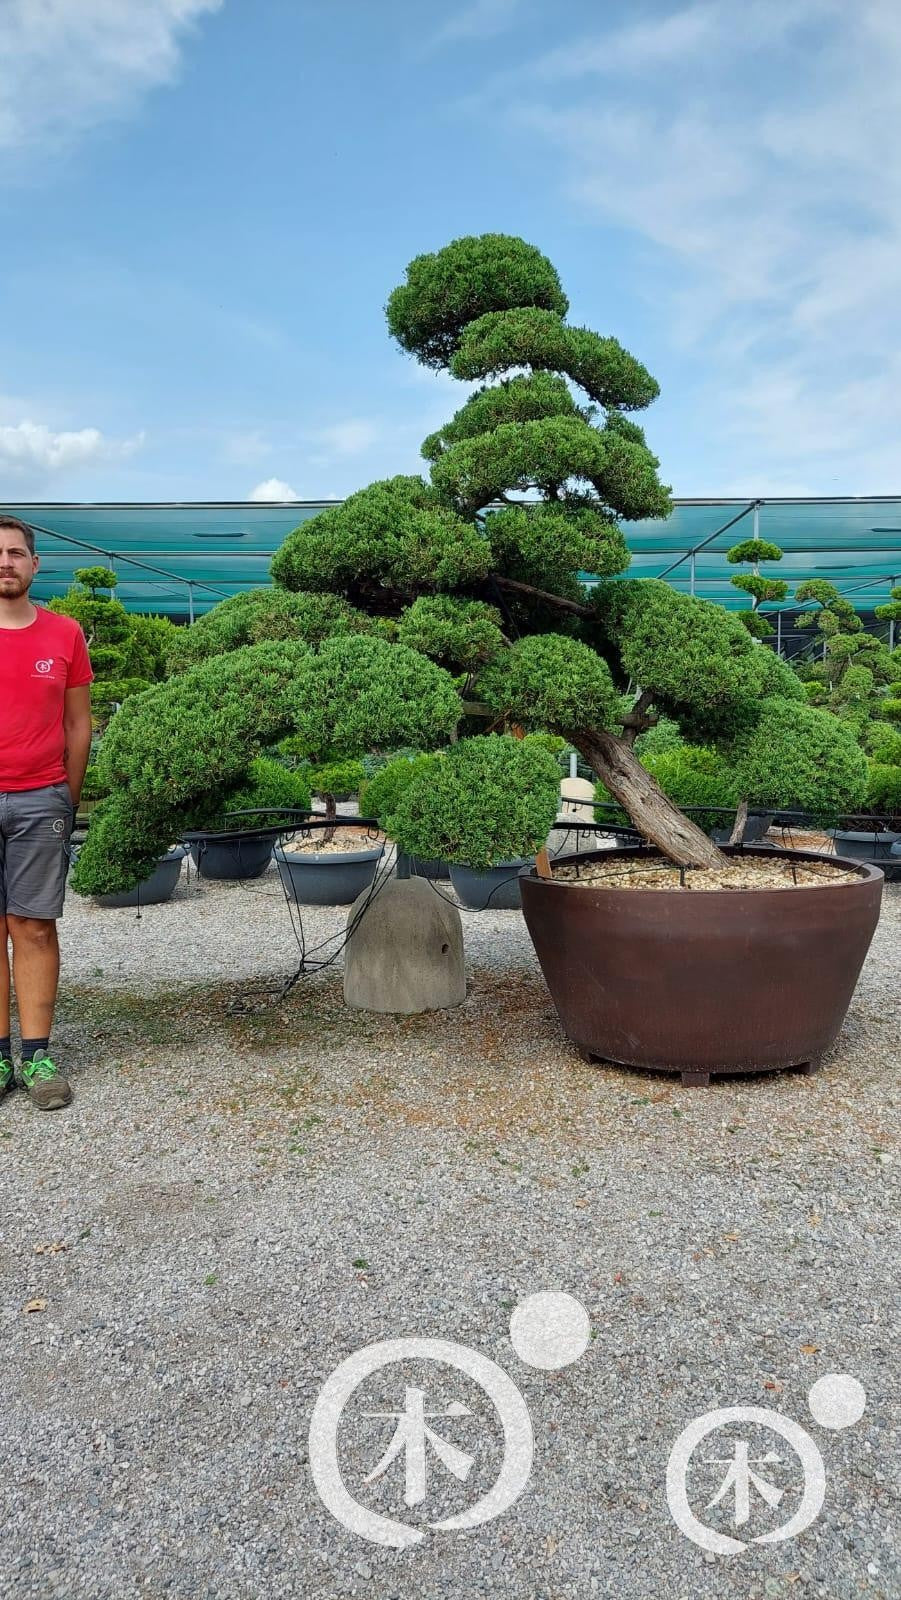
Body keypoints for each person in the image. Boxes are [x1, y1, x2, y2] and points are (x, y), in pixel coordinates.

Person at [0, 515, 93, 1109]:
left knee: (32, 926)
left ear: (35, 565)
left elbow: (77, 722)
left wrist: (69, 794)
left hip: (41, 797)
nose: (4, 562)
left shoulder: (65, 634)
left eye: (15, 553)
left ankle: (36, 1056)